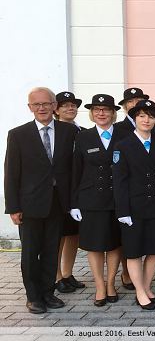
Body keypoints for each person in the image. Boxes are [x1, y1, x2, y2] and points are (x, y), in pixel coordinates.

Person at [4, 87, 78, 314]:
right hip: (29, 205)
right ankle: (33, 297)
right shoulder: (18, 134)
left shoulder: (69, 131)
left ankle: (48, 292)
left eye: (46, 103)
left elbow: (73, 167)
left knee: (51, 250)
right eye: (36, 104)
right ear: (30, 108)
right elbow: (11, 173)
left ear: (54, 106)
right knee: (30, 252)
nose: (42, 108)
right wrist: (13, 207)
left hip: (58, 202)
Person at [112, 100, 155, 310]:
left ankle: (146, 287)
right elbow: (120, 182)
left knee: (154, 250)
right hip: (133, 208)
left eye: (151, 116)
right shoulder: (123, 145)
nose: (146, 120)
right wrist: (123, 211)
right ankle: (139, 292)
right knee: (134, 251)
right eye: (142, 116)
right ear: (134, 119)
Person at [70, 94, 124, 307]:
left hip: (118, 198)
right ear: (92, 114)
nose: (101, 113)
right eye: (97, 110)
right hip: (91, 199)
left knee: (114, 243)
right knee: (95, 245)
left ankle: (111, 283)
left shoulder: (124, 135)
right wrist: (74, 203)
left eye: (106, 109)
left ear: (113, 113)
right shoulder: (83, 137)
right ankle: (99, 286)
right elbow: (76, 170)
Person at [113, 87, 150, 290]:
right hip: (127, 192)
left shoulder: (151, 126)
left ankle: (142, 282)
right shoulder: (118, 129)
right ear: (125, 105)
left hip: (148, 195)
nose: (135, 104)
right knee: (127, 241)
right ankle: (126, 273)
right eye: (131, 101)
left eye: (139, 100)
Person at [53, 91, 86, 294]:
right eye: (65, 105)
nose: (70, 108)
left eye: (73, 105)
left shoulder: (82, 131)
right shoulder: (53, 132)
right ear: (56, 110)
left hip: (79, 190)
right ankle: (56, 276)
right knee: (59, 235)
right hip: (59, 191)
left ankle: (67, 273)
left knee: (73, 233)